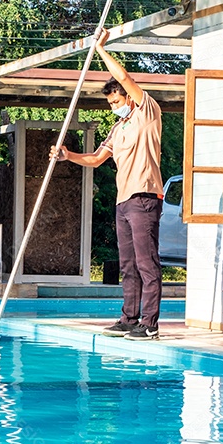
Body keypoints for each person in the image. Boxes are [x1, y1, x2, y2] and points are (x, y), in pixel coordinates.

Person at [51, 31, 163, 340]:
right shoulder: (118, 128)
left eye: (117, 100)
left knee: (146, 262)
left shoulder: (146, 113)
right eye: (111, 103)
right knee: (127, 264)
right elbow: (98, 159)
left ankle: (150, 324)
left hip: (144, 196)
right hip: (123, 201)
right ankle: (129, 318)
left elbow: (124, 76)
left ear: (128, 98)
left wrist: (99, 49)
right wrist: (68, 155)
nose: (115, 106)